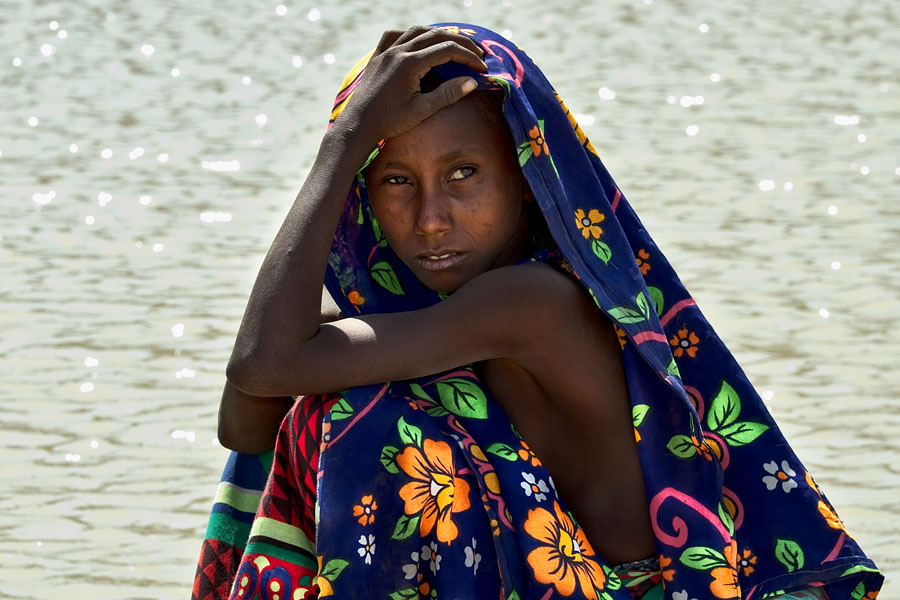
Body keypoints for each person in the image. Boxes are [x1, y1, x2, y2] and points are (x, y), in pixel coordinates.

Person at [192, 24, 882, 600]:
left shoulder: (531, 302)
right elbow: (244, 420)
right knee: (319, 393)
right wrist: (317, 299)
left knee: (360, 415)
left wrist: (341, 145)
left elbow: (263, 362)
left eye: (464, 173)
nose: (431, 220)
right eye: (396, 181)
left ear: (527, 179)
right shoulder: (423, 315)